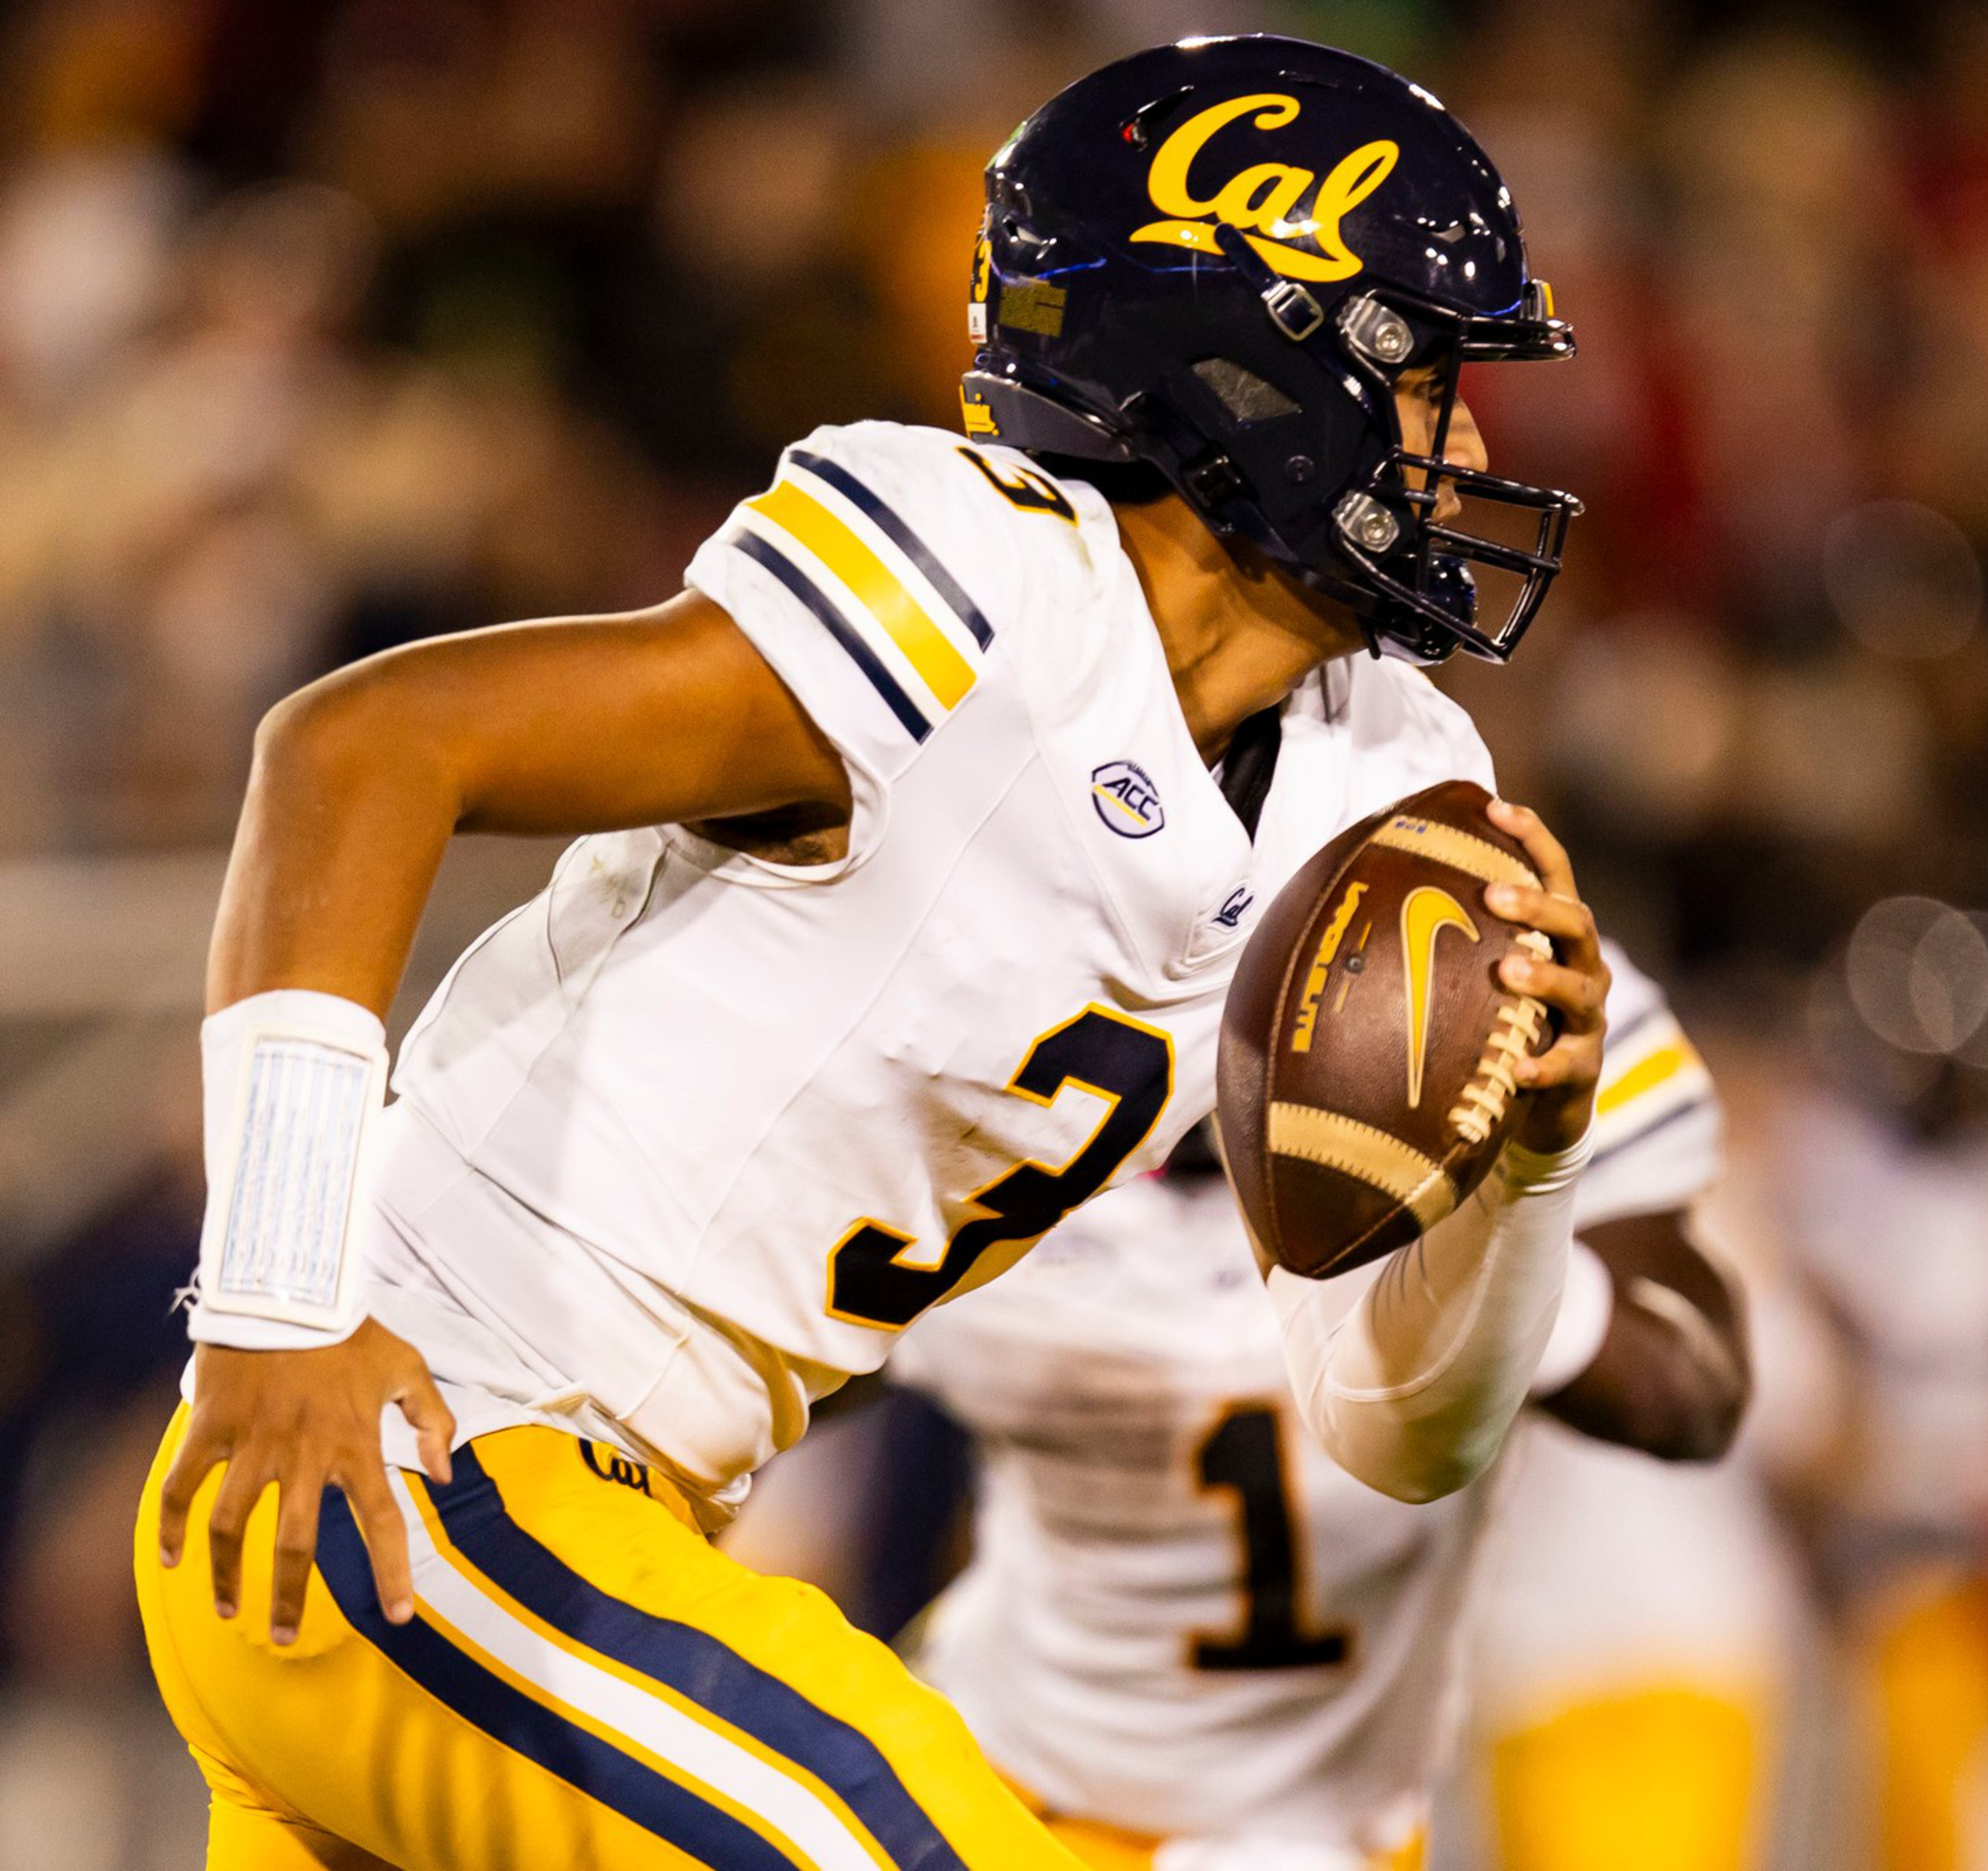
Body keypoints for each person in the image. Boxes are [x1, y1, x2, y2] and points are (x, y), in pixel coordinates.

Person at [134, 36, 1612, 1871]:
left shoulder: (1387, 780)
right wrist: (276, 1292)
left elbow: (1399, 1431)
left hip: (614, 1527)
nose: (1466, 441)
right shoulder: (985, 580)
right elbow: (361, 751)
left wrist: (1526, 1161)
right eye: (1423, 376)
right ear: (1256, 360)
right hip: (423, 1444)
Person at [882, 946, 1740, 1871]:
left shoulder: (1497, 986)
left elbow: (1690, 1392)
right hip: (999, 1785)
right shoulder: (994, 991)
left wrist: (1512, 1215)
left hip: (1314, 1832)